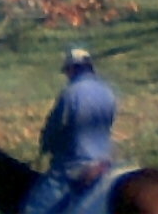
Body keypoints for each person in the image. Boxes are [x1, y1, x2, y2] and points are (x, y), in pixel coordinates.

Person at [23, 48, 118, 214]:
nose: (67, 75)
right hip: (103, 160)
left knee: (34, 208)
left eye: (67, 71)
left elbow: (54, 127)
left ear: (73, 69)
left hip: (74, 163)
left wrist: (46, 146)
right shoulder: (108, 92)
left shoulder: (70, 93)